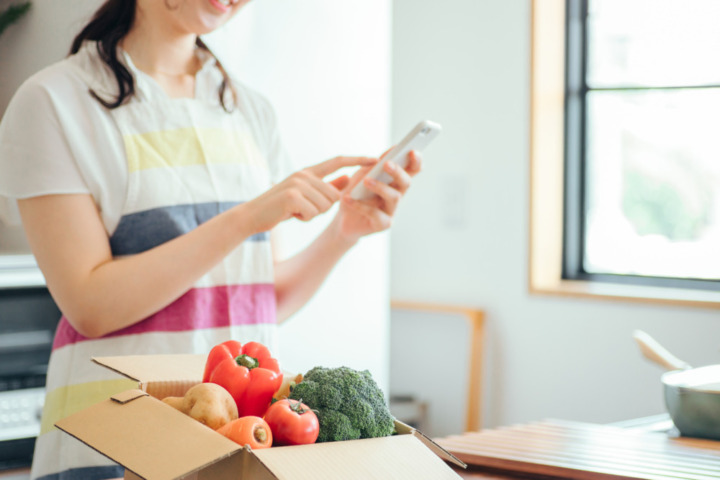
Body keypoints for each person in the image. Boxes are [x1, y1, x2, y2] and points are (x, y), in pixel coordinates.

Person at [0, 0, 422, 479]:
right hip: (113, 438)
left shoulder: (248, 109)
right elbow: (90, 305)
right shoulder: (54, 101)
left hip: (235, 440)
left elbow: (261, 298)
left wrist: (342, 234)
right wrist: (245, 219)